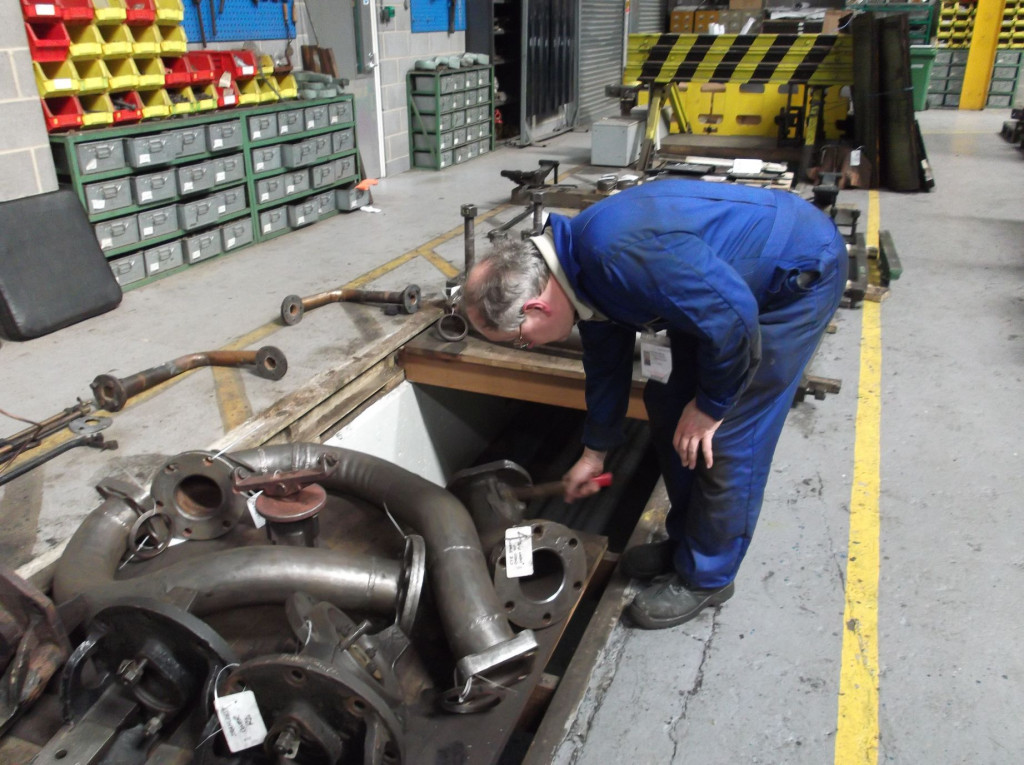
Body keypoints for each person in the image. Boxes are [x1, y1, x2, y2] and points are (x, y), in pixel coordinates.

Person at [462, 178, 846, 630]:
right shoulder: (577, 274)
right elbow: (605, 364)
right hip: (721, 293)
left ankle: (709, 578)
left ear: (535, 309)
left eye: (520, 342)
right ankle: (686, 543)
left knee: (726, 439)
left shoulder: (614, 257)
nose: (527, 348)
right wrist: (595, 451)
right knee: (667, 404)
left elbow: (734, 320)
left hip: (789, 279)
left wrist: (712, 406)